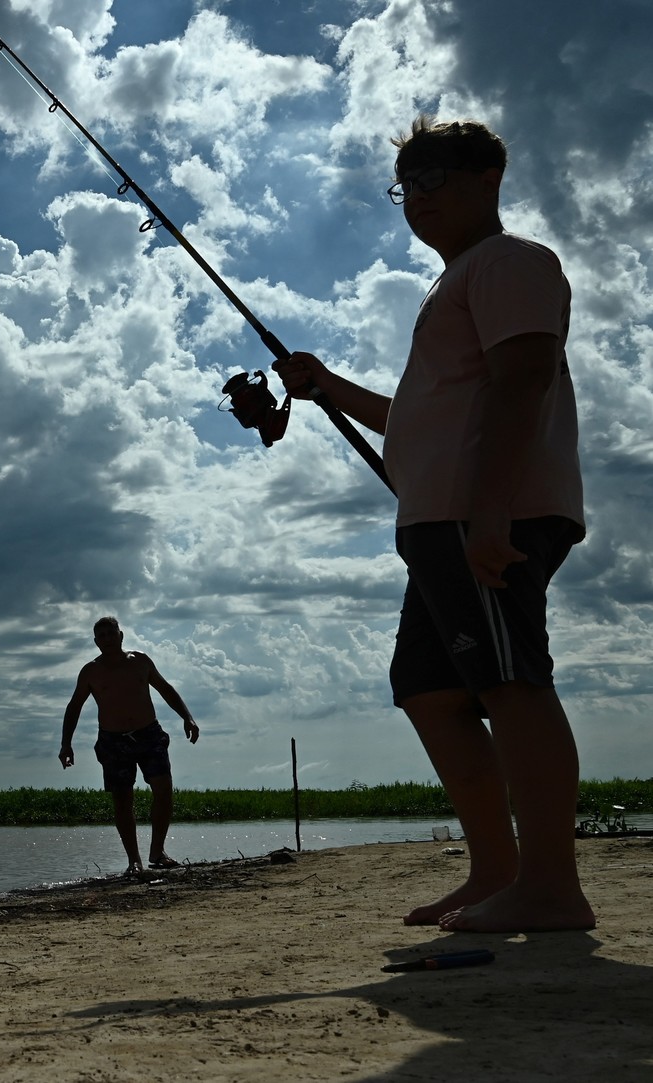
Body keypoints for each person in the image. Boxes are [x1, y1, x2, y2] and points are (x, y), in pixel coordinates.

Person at [273, 116, 594, 933]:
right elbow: (415, 418)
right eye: (403, 187)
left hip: (483, 514)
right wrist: (325, 387)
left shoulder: (508, 262)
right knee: (427, 689)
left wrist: (490, 507)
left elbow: (521, 378)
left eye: (431, 180)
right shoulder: (453, 285)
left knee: (510, 679)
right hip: (436, 524)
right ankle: (497, 871)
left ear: (486, 178)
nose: (414, 200)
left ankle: (552, 887)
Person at [60, 616, 200, 874]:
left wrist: (187, 717)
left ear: (121, 635)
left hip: (149, 734)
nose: (107, 639)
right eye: (101, 636)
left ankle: (157, 852)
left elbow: (165, 688)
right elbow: (74, 707)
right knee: (122, 799)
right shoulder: (90, 671)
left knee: (163, 790)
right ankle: (134, 861)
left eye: (111, 633)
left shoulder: (140, 661)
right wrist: (66, 744)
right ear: (95, 642)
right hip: (113, 741)